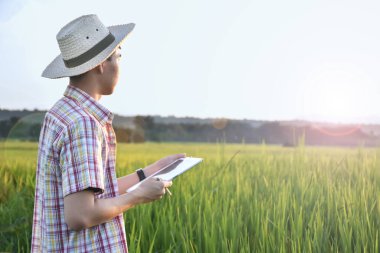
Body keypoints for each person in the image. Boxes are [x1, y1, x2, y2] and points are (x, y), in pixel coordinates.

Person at [31, 14, 184, 252]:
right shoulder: (83, 124)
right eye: (119, 55)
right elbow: (81, 215)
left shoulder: (60, 113)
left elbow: (90, 194)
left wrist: (153, 170)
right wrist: (138, 196)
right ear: (102, 64)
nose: (120, 63)